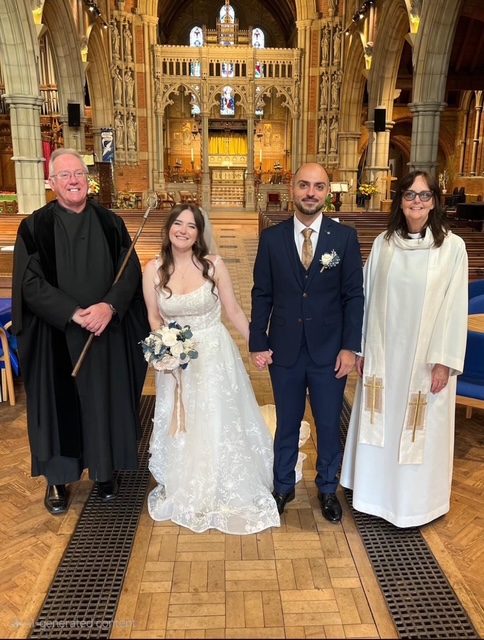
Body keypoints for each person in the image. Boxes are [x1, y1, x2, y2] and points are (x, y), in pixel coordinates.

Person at [12, 148, 149, 515]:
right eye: (65, 175)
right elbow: (29, 283)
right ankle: (58, 479)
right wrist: (72, 313)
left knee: (104, 400)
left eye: (78, 174)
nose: (73, 181)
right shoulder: (34, 227)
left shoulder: (110, 223)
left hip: (104, 333)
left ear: (87, 181)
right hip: (56, 336)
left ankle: (104, 472)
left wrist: (109, 307)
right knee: (58, 407)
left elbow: (129, 270)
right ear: (51, 182)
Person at [340, 170, 468, 528]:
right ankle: (373, 494)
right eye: (410, 194)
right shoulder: (385, 244)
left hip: (426, 360)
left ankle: (416, 504)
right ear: (400, 200)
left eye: (424, 195)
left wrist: (444, 361)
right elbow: (366, 297)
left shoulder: (452, 248)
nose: (417, 202)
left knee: (418, 427)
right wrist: (362, 348)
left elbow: (455, 306)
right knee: (381, 420)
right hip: (385, 356)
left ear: (435, 202)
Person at [142, 204, 280, 534]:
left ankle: (223, 479)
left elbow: (234, 311)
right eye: (178, 224)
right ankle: (185, 480)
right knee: (185, 420)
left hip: (215, 353)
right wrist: (165, 349)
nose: (183, 231)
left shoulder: (213, 265)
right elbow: (154, 317)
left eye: (191, 226)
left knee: (218, 415)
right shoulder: (153, 269)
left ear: (199, 233)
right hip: (177, 362)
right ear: (169, 228)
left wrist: (257, 345)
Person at [249, 163, 364, 522]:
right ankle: (283, 486)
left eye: (318, 186)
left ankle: (328, 488)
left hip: (330, 351)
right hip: (284, 348)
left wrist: (350, 347)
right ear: (292, 189)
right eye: (304, 185)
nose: (310, 192)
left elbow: (354, 296)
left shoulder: (344, 238)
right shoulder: (272, 238)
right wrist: (257, 341)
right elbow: (262, 293)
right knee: (287, 422)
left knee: (329, 424)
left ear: (328, 192)